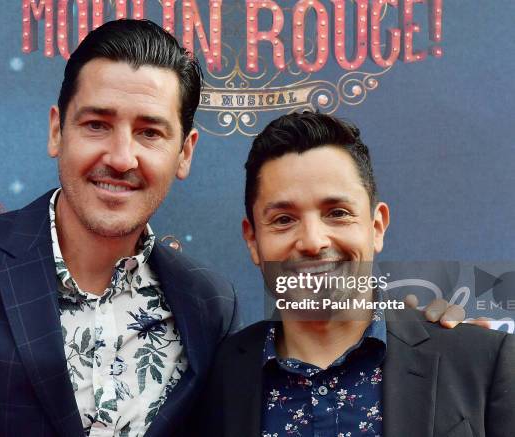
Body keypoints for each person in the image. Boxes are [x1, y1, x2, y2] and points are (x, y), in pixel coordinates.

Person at [0, 20, 470, 437]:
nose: (121, 157)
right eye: (97, 124)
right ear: (58, 131)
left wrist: (428, 330)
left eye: (150, 132)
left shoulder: (206, 304)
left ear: (184, 152)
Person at [195, 112, 515, 437]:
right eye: (283, 219)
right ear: (252, 240)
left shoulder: (482, 362)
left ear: (376, 227)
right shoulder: (216, 379)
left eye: (337, 213)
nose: (312, 242)